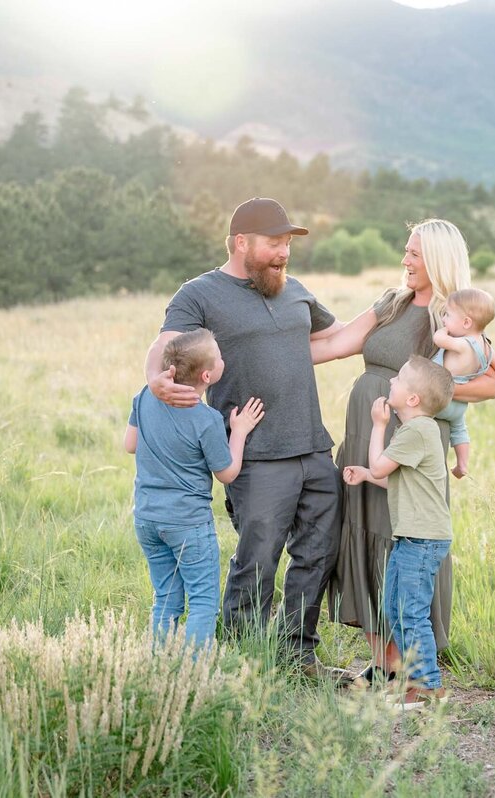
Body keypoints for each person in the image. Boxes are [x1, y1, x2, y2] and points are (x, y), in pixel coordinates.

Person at [144, 197, 342, 671]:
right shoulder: (200, 293)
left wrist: (394, 306)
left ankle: (297, 655)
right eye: (274, 244)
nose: (283, 253)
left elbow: (336, 339)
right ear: (241, 243)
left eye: (287, 244)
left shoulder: (294, 291)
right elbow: (164, 345)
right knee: (258, 559)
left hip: (313, 446)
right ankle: (239, 656)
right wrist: (156, 379)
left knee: (317, 553)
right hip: (256, 454)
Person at [310, 219, 495, 684]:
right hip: (367, 431)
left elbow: (493, 381)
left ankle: (408, 664)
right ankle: (384, 663)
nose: (405, 261)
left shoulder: (454, 319)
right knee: (359, 533)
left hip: (409, 442)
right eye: (406, 252)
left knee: (398, 538)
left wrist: (435, 396)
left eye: (414, 254)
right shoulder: (393, 302)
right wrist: (267, 347)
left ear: (436, 258)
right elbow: (337, 342)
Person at [123, 328, 265, 648]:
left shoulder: (144, 395)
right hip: (188, 523)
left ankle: (160, 667)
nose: (223, 359)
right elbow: (226, 473)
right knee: (202, 601)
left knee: (166, 598)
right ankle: (194, 673)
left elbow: (130, 444)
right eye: (219, 357)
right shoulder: (207, 419)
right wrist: (239, 431)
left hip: (146, 517)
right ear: (207, 375)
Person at [341, 356, 456, 709]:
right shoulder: (418, 432)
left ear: (412, 400)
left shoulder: (417, 430)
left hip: (422, 540)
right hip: (413, 537)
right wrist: (366, 475)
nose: (391, 381)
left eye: (400, 378)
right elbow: (396, 479)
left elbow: (381, 463)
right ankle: (412, 680)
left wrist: (379, 426)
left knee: (410, 613)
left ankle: (425, 686)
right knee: (395, 608)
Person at [432, 287, 495, 480]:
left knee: (409, 410)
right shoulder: (485, 346)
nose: (443, 319)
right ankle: (462, 464)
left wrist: (443, 331)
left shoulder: (462, 344)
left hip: (439, 398)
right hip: (459, 405)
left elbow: (438, 339)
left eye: (447, 315)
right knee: (459, 428)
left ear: (466, 322)